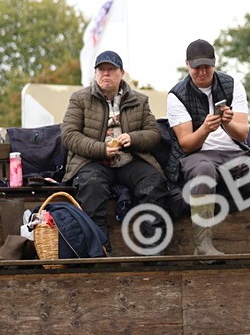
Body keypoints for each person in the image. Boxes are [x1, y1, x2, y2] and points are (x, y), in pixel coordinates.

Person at [166, 39, 250, 255]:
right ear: (187, 64)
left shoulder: (232, 84)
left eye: (206, 66)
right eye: (197, 67)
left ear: (214, 63)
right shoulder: (176, 95)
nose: (202, 72)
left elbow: (242, 133)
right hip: (198, 155)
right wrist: (205, 129)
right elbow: (186, 145)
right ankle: (203, 245)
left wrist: (227, 122)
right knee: (204, 170)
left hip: (236, 153)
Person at [61, 51, 175, 251]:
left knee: (153, 183)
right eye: (101, 70)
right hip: (92, 161)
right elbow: (69, 135)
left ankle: (156, 249)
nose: (106, 74)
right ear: (95, 74)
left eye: (111, 69)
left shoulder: (140, 100)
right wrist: (101, 149)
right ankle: (100, 250)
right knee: (91, 185)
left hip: (130, 160)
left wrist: (133, 138)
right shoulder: (80, 98)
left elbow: (153, 134)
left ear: (122, 73)